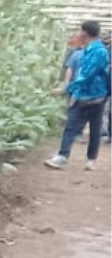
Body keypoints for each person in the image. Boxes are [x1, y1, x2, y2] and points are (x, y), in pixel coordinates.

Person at [46, 20, 110, 170]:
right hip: (84, 93)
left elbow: (87, 75)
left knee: (93, 128)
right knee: (72, 125)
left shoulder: (99, 52)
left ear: (84, 33)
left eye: (80, 31)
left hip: (94, 95)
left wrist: (66, 89)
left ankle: (89, 159)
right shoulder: (88, 50)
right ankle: (65, 156)